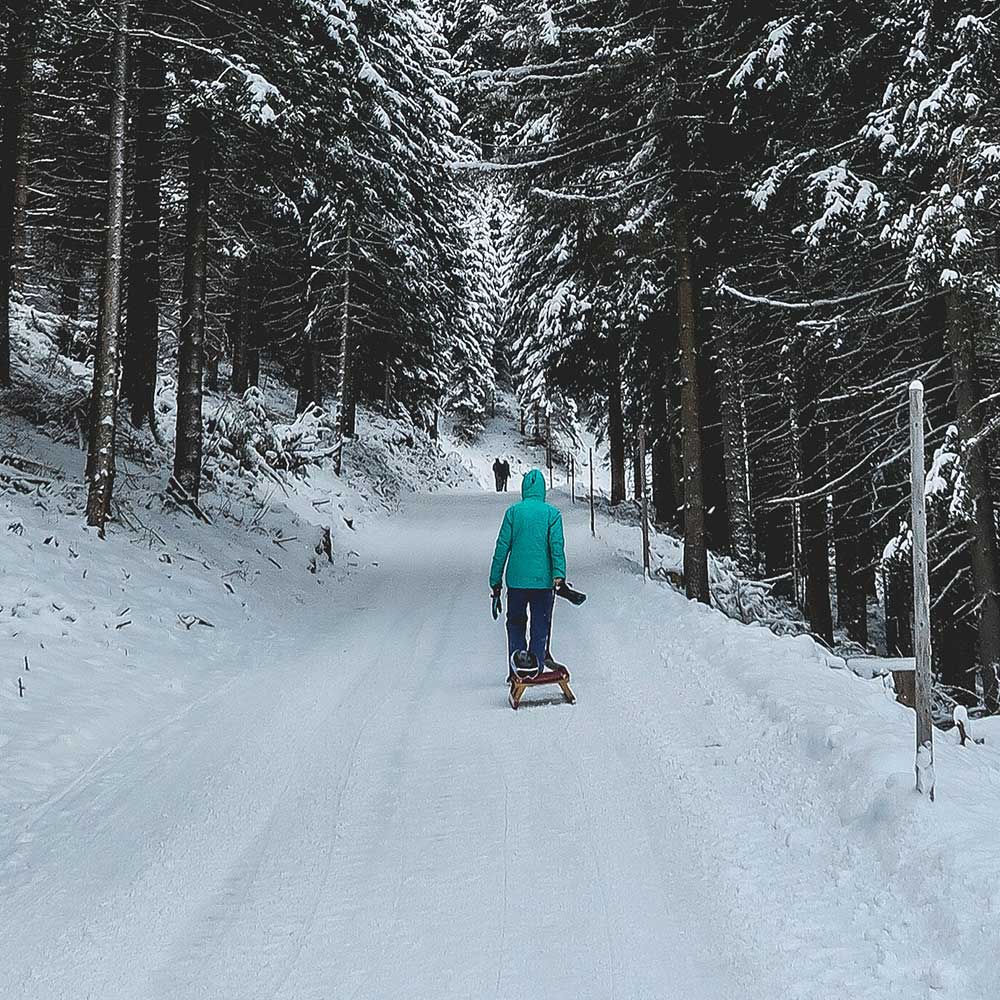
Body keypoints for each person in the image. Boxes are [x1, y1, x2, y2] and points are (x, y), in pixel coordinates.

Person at [489, 468, 566, 679]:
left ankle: (517, 668)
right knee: (540, 624)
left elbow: (501, 548)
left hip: (516, 583)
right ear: (542, 490)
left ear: (524, 489)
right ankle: (537, 666)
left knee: (516, 623)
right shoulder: (552, 514)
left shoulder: (513, 513)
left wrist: (495, 582)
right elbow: (556, 547)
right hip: (543, 583)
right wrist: (558, 575)